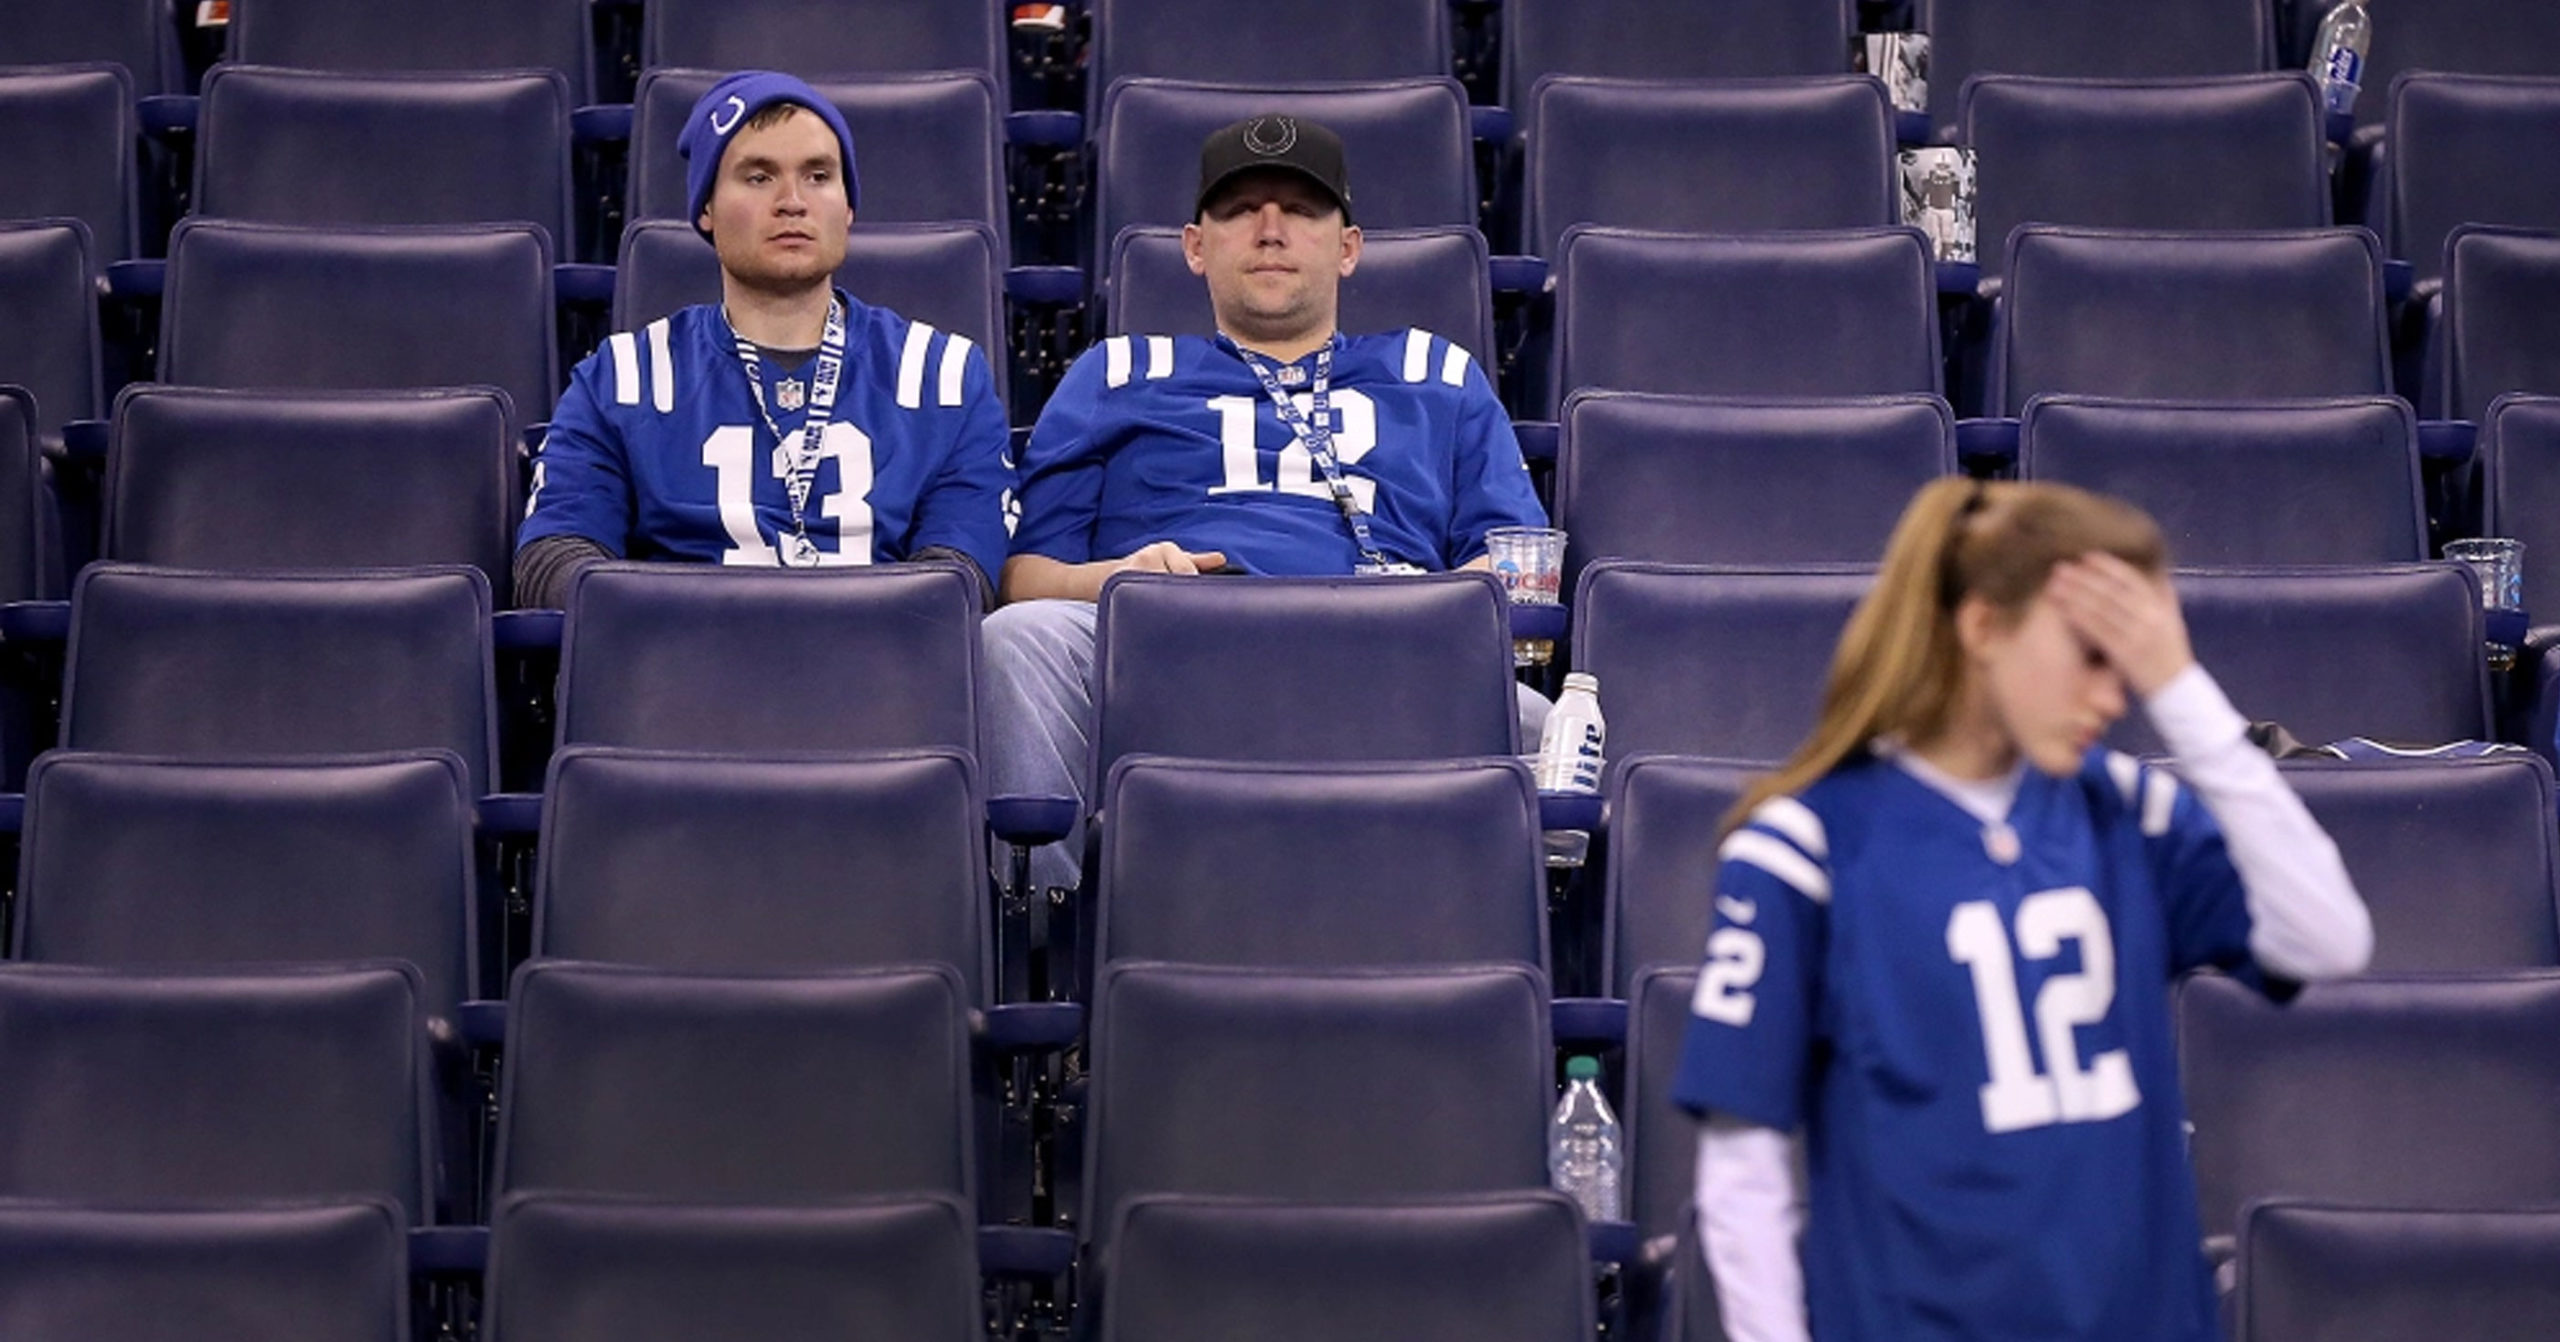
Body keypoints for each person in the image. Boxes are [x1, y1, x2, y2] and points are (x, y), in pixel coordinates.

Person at [1676, 479, 2372, 1342]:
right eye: (2091, 655)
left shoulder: (2128, 808)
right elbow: (1743, 1168)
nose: (2115, 697)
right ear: (1982, 630)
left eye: (2130, 666)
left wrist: (2184, 691)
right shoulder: (1805, 850)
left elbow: (2328, 939)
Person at [981, 114, 1548, 891]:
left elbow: (1518, 562)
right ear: (1195, 246)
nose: (1271, 230)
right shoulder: (1116, 373)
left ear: (1348, 248)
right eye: (1241, 209)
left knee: (1556, 737)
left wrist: (1437, 604)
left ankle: (1512, 961)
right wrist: (1121, 576)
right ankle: (1044, 933)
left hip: (1388, 651)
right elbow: (1024, 576)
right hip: (1175, 642)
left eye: (1304, 211)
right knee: (1019, 640)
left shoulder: (1434, 371)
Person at [514, 70, 1010, 610]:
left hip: (883, 680)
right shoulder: (621, 377)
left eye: (818, 176)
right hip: (675, 678)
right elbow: (553, 557)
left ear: (848, 207)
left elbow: (964, 572)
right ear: (705, 208)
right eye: (758, 177)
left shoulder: (946, 375)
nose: (792, 201)